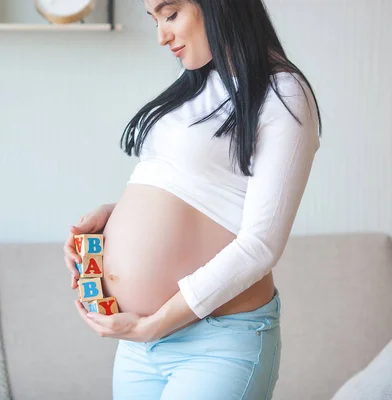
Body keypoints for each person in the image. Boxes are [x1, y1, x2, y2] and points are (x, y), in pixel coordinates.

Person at [63, 0, 322, 398]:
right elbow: (189, 191)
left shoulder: (282, 92)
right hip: (141, 343)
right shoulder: (198, 84)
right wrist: (112, 220)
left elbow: (261, 244)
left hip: (217, 343)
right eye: (154, 21)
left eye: (171, 15)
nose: (162, 36)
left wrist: (157, 323)